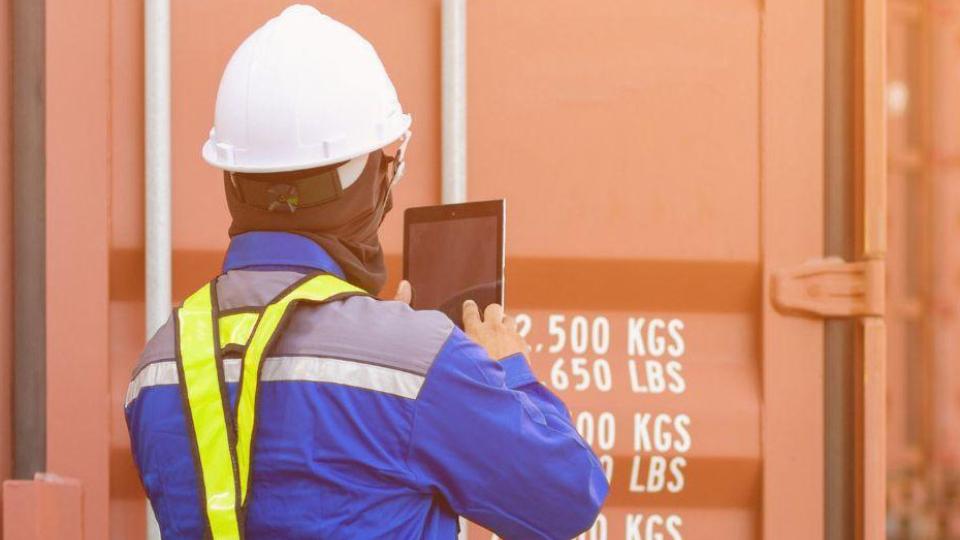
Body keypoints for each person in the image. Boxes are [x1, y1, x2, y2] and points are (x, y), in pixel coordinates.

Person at [124, 5, 608, 539]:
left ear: (234, 176)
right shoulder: (419, 363)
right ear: (371, 181)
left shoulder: (160, 361)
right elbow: (567, 498)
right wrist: (504, 369)